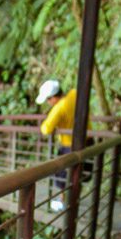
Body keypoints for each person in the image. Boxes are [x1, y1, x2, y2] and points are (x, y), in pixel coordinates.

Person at [36, 79, 76, 211]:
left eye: (48, 100)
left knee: (61, 176)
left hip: (69, 145)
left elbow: (46, 129)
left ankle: (65, 202)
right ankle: (70, 200)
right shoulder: (74, 94)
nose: (48, 103)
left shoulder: (59, 108)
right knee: (75, 174)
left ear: (53, 98)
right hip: (87, 141)